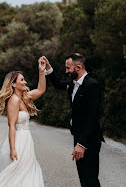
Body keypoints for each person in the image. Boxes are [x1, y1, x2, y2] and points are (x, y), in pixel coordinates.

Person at [42, 53, 104, 187]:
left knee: (90, 178)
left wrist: (82, 144)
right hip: (78, 136)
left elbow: (93, 117)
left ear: (78, 67)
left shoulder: (91, 85)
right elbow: (58, 84)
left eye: (68, 68)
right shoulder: (73, 83)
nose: (66, 71)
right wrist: (48, 67)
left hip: (89, 139)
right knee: (83, 176)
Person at [0, 57, 46, 187]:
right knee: (18, 176)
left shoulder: (24, 98)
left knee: (26, 174)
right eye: (22, 80)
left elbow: (41, 90)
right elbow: (11, 126)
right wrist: (13, 149)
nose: (25, 82)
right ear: (13, 84)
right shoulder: (14, 100)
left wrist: (41, 71)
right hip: (19, 142)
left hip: (27, 141)